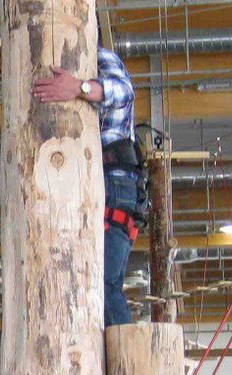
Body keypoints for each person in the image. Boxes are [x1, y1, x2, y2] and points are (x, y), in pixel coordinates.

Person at [32, 44, 142, 327]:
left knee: (103, 286)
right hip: (90, 188)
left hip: (114, 187)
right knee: (89, 287)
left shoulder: (98, 56)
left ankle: (126, 366)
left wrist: (79, 87)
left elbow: (124, 93)